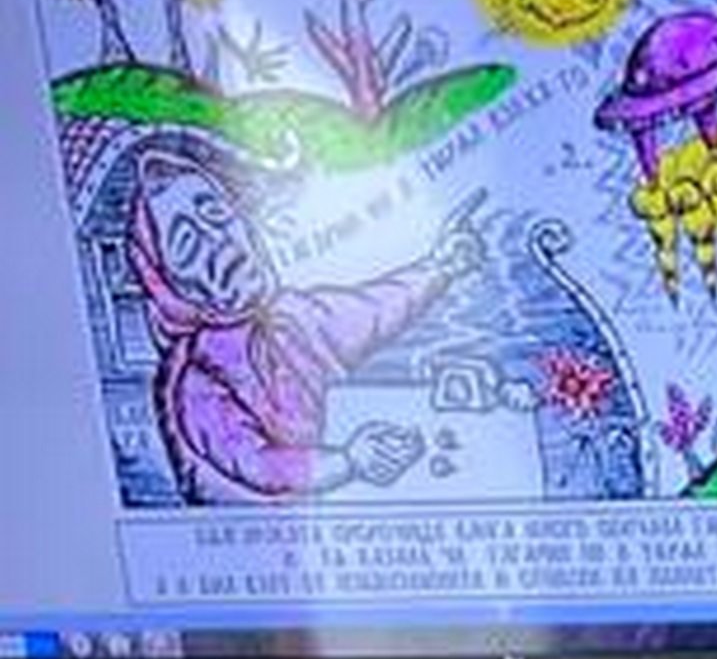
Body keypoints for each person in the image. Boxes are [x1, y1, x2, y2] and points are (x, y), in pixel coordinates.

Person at [126, 149, 485, 502]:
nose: (217, 240)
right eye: (188, 244)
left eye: (216, 213)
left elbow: (372, 310)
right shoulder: (198, 381)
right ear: (175, 290)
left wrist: (442, 267)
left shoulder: (293, 316)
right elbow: (261, 465)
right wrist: (348, 462)